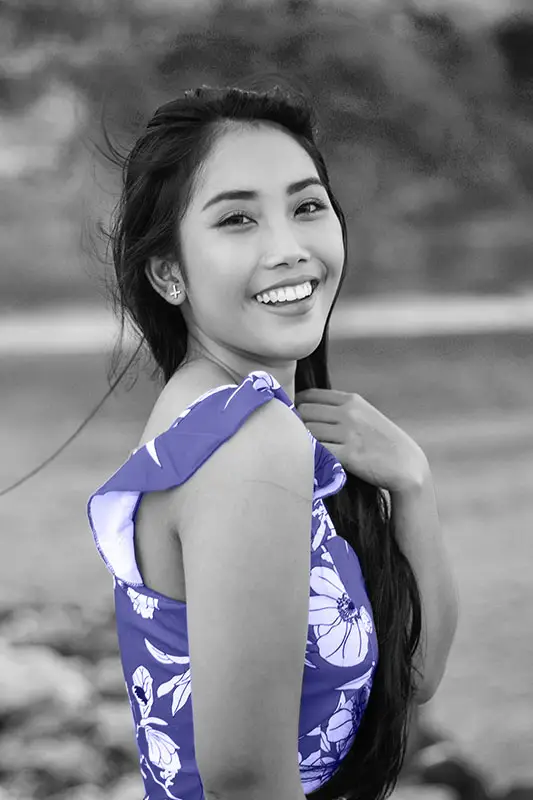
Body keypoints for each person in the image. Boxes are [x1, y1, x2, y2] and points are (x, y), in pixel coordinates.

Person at [87, 81, 458, 800]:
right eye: (236, 221)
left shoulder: (212, 416)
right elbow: (246, 781)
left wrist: (411, 483)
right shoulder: (247, 443)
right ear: (168, 273)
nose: (288, 249)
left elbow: (413, 677)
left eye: (306, 206)